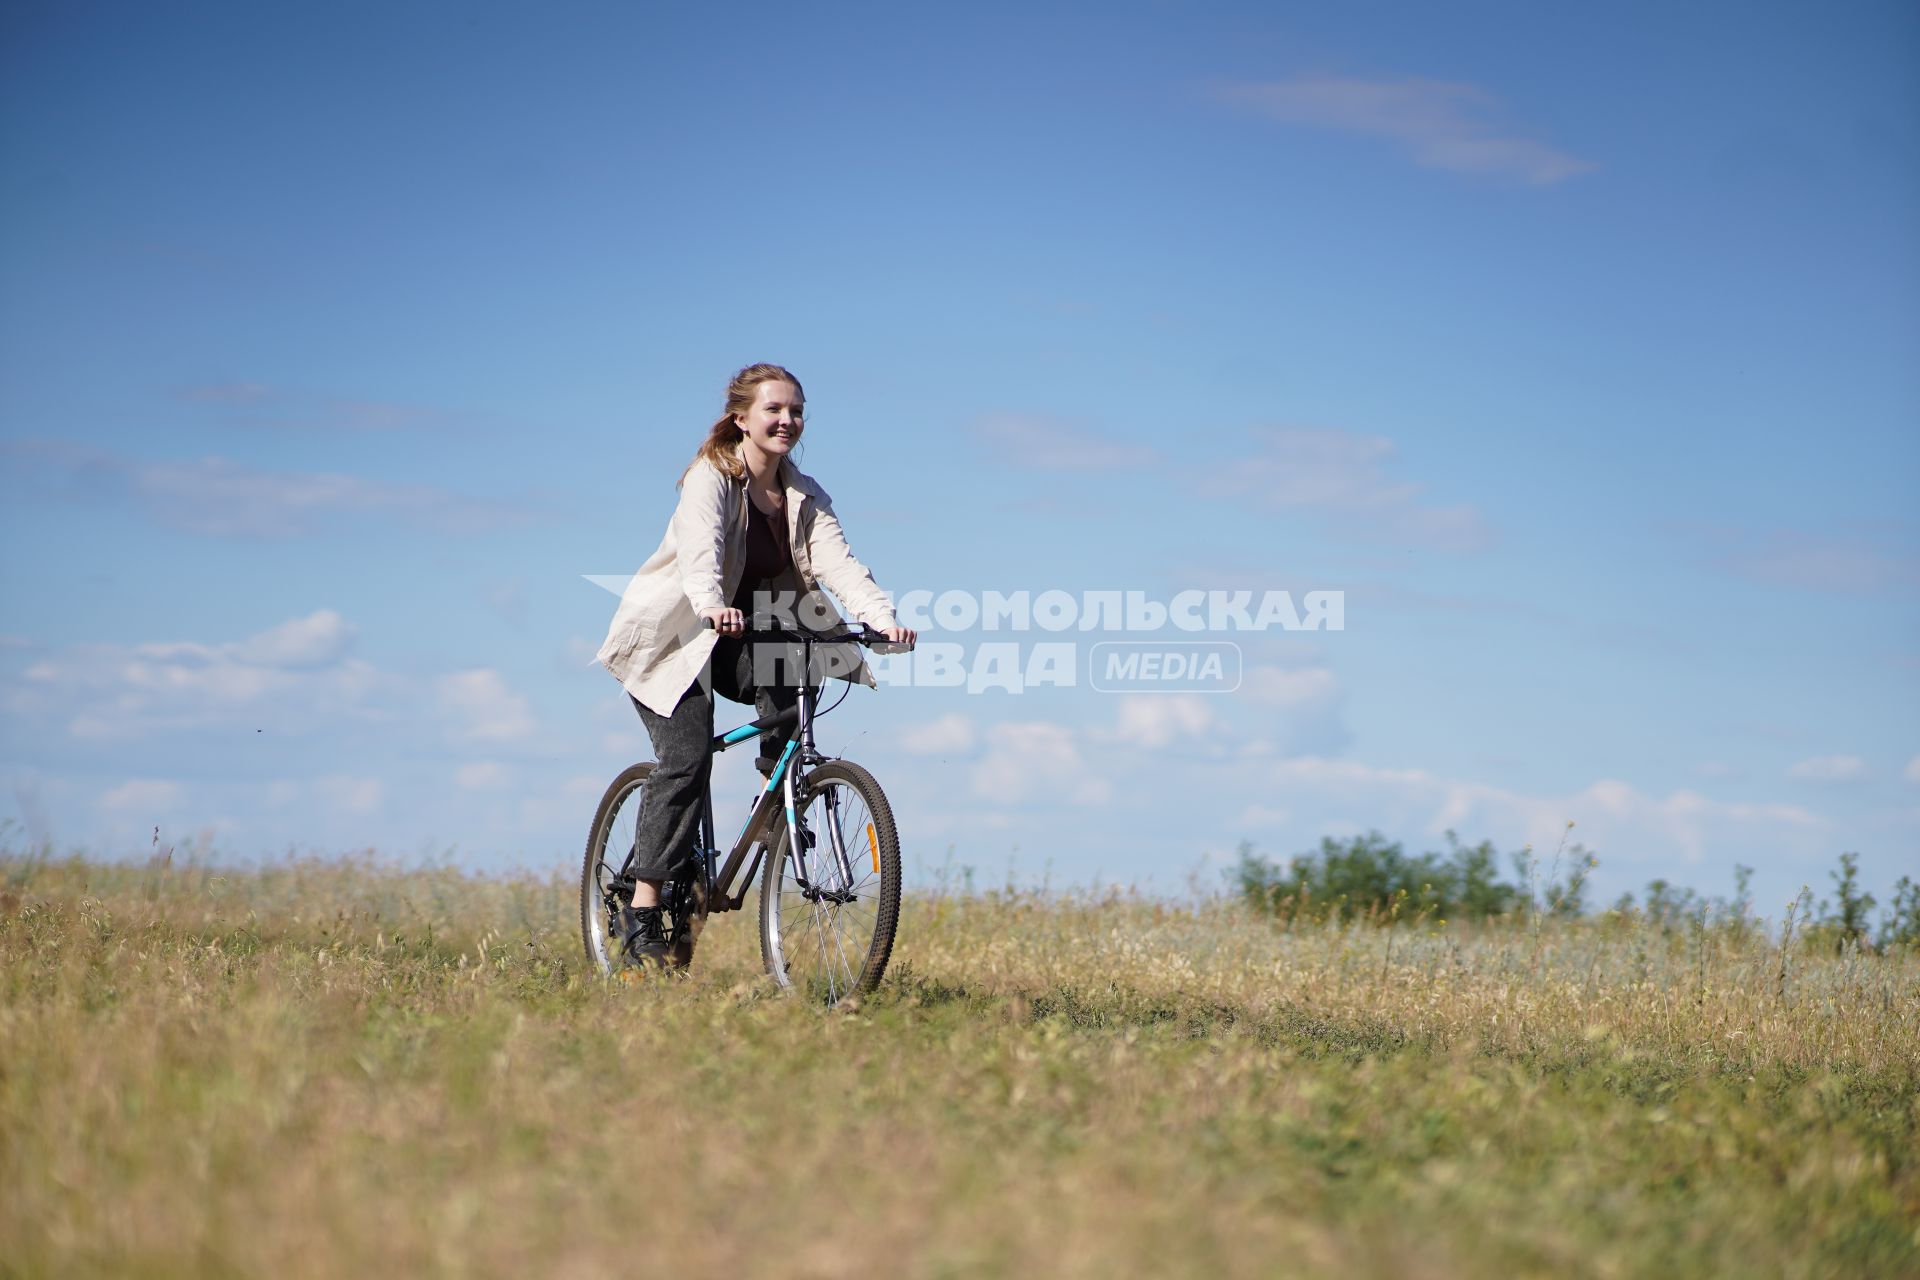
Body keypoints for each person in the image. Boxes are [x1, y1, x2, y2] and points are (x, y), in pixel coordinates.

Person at [596, 363, 916, 967]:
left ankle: (782, 796)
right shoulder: (710, 479)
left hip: (748, 634)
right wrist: (713, 604)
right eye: (774, 410)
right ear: (741, 418)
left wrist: (881, 616)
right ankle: (642, 902)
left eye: (796, 411)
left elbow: (841, 565)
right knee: (686, 757)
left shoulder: (804, 494)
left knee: (793, 667)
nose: (787, 421)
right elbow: (701, 551)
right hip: (680, 640)